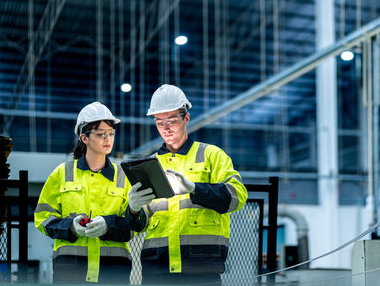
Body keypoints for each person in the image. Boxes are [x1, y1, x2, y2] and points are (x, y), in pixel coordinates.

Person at [126, 84, 248, 285]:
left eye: (172, 121)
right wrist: (133, 209)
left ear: (186, 118)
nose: (165, 128)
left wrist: (195, 189)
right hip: (157, 270)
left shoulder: (211, 156)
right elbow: (138, 225)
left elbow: (237, 197)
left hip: (201, 267)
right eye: (159, 122)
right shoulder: (150, 164)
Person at [34, 102, 134, 284]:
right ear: (84, 138)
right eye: (100, 134)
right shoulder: (62, 174)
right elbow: (42, 218)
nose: (108, 139)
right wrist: (70, 226)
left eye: (111, 134)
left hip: (113, 271)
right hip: (71, 271)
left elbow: (133, 225)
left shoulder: (123, 177)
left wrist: (108, 225)